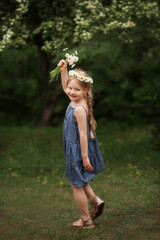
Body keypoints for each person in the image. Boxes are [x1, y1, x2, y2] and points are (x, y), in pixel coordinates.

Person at [57, 59, 105, 228]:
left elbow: (83, 135)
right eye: (71, 88)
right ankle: (94, 199)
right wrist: (64, 71)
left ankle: (86, 219)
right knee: (79, 178)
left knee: (75, 183)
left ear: (85, 91)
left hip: (78, 151)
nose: (71, 92)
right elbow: (66, 87)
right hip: (76, 149)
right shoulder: (76, 99)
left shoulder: (78, 108)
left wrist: (85, 158)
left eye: (77, 89)